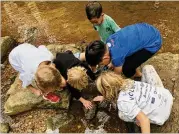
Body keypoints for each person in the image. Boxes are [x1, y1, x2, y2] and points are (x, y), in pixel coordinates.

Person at [93, 65, 173, 133]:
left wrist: (141, 120)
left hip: (162, 114)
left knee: (121, 114)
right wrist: (105, 97)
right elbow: (114, 91)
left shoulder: (123, 102)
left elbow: (145, 121)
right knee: (147, 67)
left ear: (106, 91)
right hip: (166, 97)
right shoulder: (127, 81)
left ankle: (138, 118)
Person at [85, 23, 162, 78]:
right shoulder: (109, 40)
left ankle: (137, 75)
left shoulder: (116, 58)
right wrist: (112, 63)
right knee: (126, 58)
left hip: (154, 43)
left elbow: (116, 77)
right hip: (147, 29)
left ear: (105, 58)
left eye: (101, 63)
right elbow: (117, 51)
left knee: (126, 70)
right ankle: (137, 71)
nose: (103, 65)